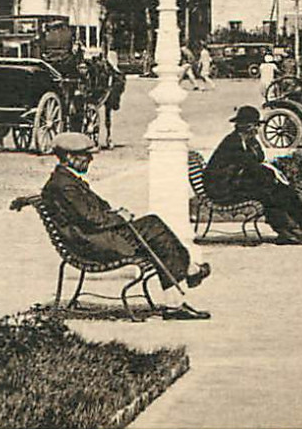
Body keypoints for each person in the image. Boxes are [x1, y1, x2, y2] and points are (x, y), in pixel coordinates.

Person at [37, 132, 210, 318]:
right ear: (69, 156)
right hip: (90, 244)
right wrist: (120, 217)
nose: (90, 159)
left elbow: (98, 209)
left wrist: (116, 214)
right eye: (86, 155)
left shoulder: (66, 180)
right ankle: (186, 280)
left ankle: (178, 296)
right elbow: (91, 218)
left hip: (94, 237)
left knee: (155, 231)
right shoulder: (65, 185)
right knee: (155, 229)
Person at [206, 106, 302, 244]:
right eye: (253, 125)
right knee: (267, 193)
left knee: (284, 189)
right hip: (221, 189)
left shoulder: (250, 141)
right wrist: (270, 178)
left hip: (236, 182)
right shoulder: (232, 142)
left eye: (257, 125)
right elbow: (250, 166)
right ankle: (286, 231)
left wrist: (273, 178)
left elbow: (259, 159)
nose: (256, 129)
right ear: (243, 126)